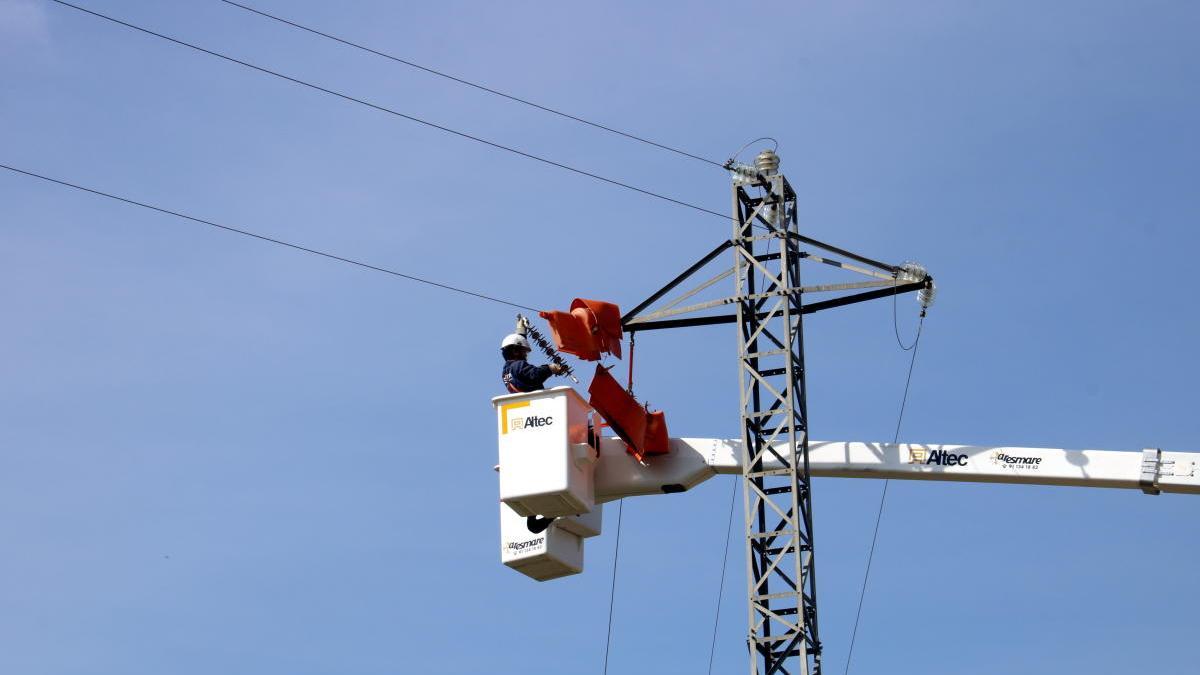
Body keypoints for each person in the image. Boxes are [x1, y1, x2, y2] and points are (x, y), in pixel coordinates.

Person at [501, 333, 567, 393]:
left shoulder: (506, 372)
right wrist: (549, 368)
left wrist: (521, 332)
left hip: (523, 403)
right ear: (515, 352)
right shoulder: (518, 365)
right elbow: (533, 376)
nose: (526, 355)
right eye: (524, 352)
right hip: (534, 402)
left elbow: (521, 378)